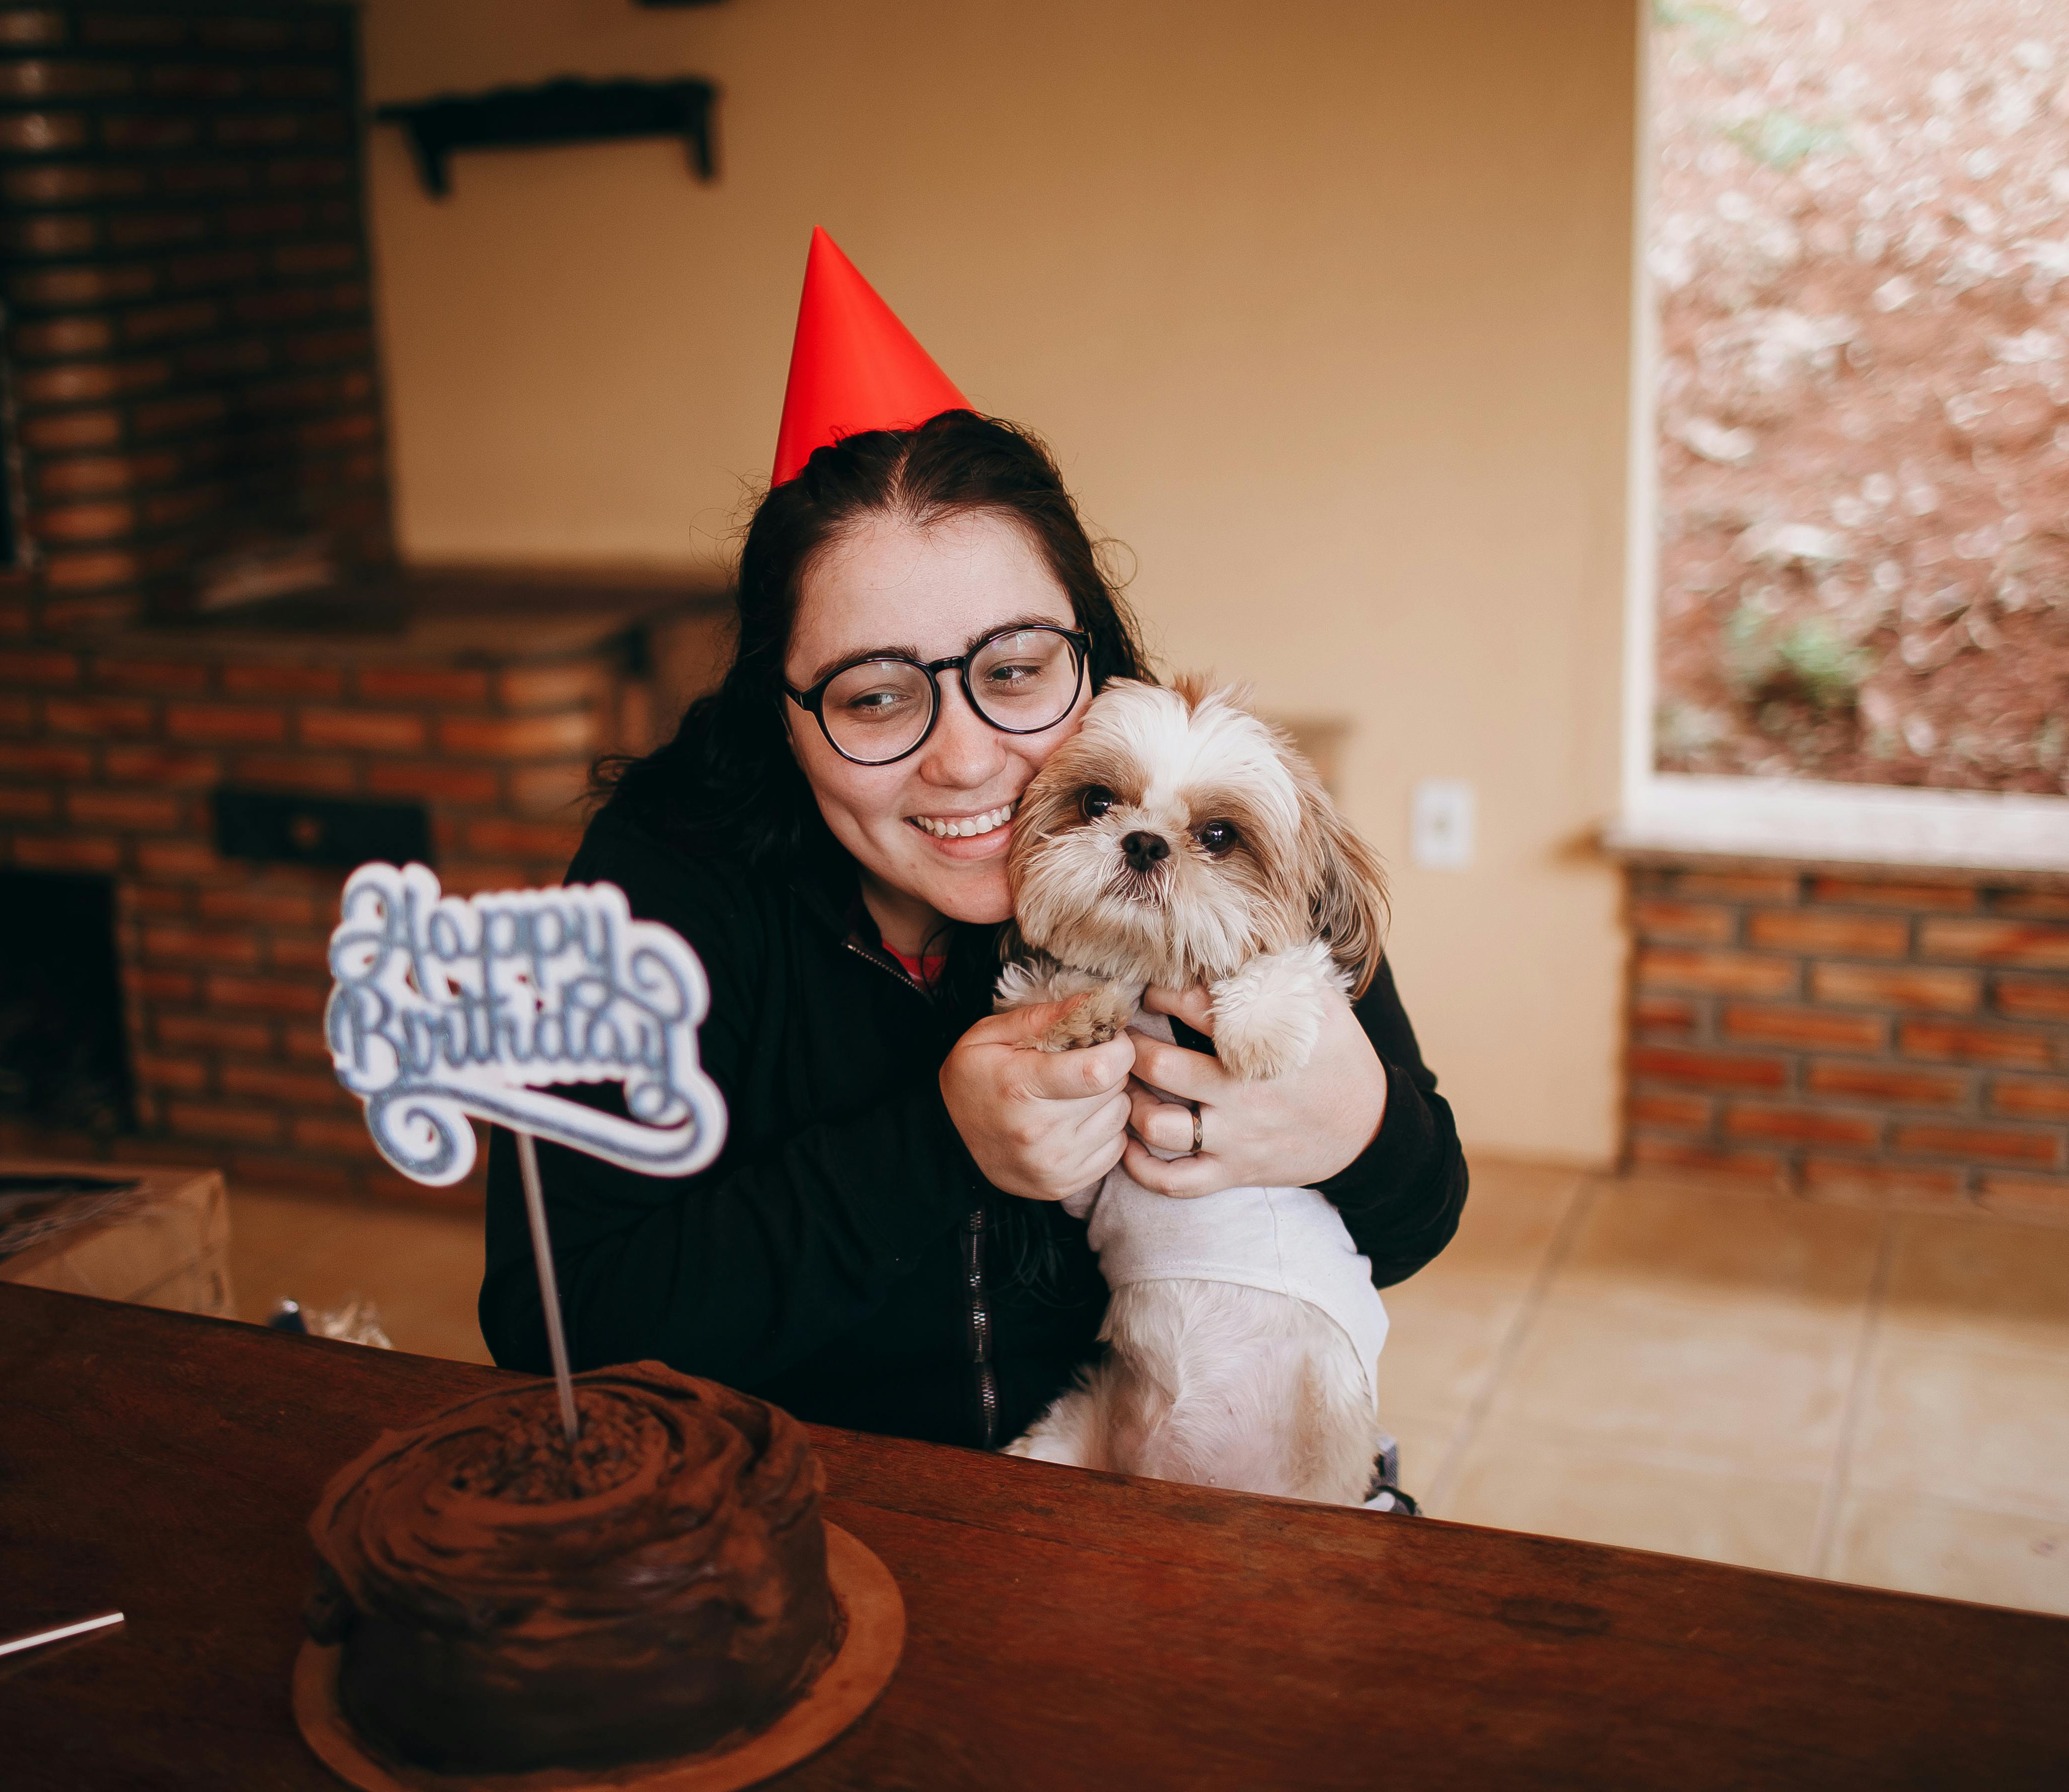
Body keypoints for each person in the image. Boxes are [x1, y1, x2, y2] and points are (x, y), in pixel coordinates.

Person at [480, 232, 1467, 1454]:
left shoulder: (1189, 805)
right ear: (780, 712)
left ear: (1089, 659)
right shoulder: (664, 884)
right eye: (876, 695)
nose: (963, 758)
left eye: (1013, 670)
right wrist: (933, 1149)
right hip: (817, 1516)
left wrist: (1362, 1124)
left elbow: (1424, 1214)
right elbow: (549, 1324)